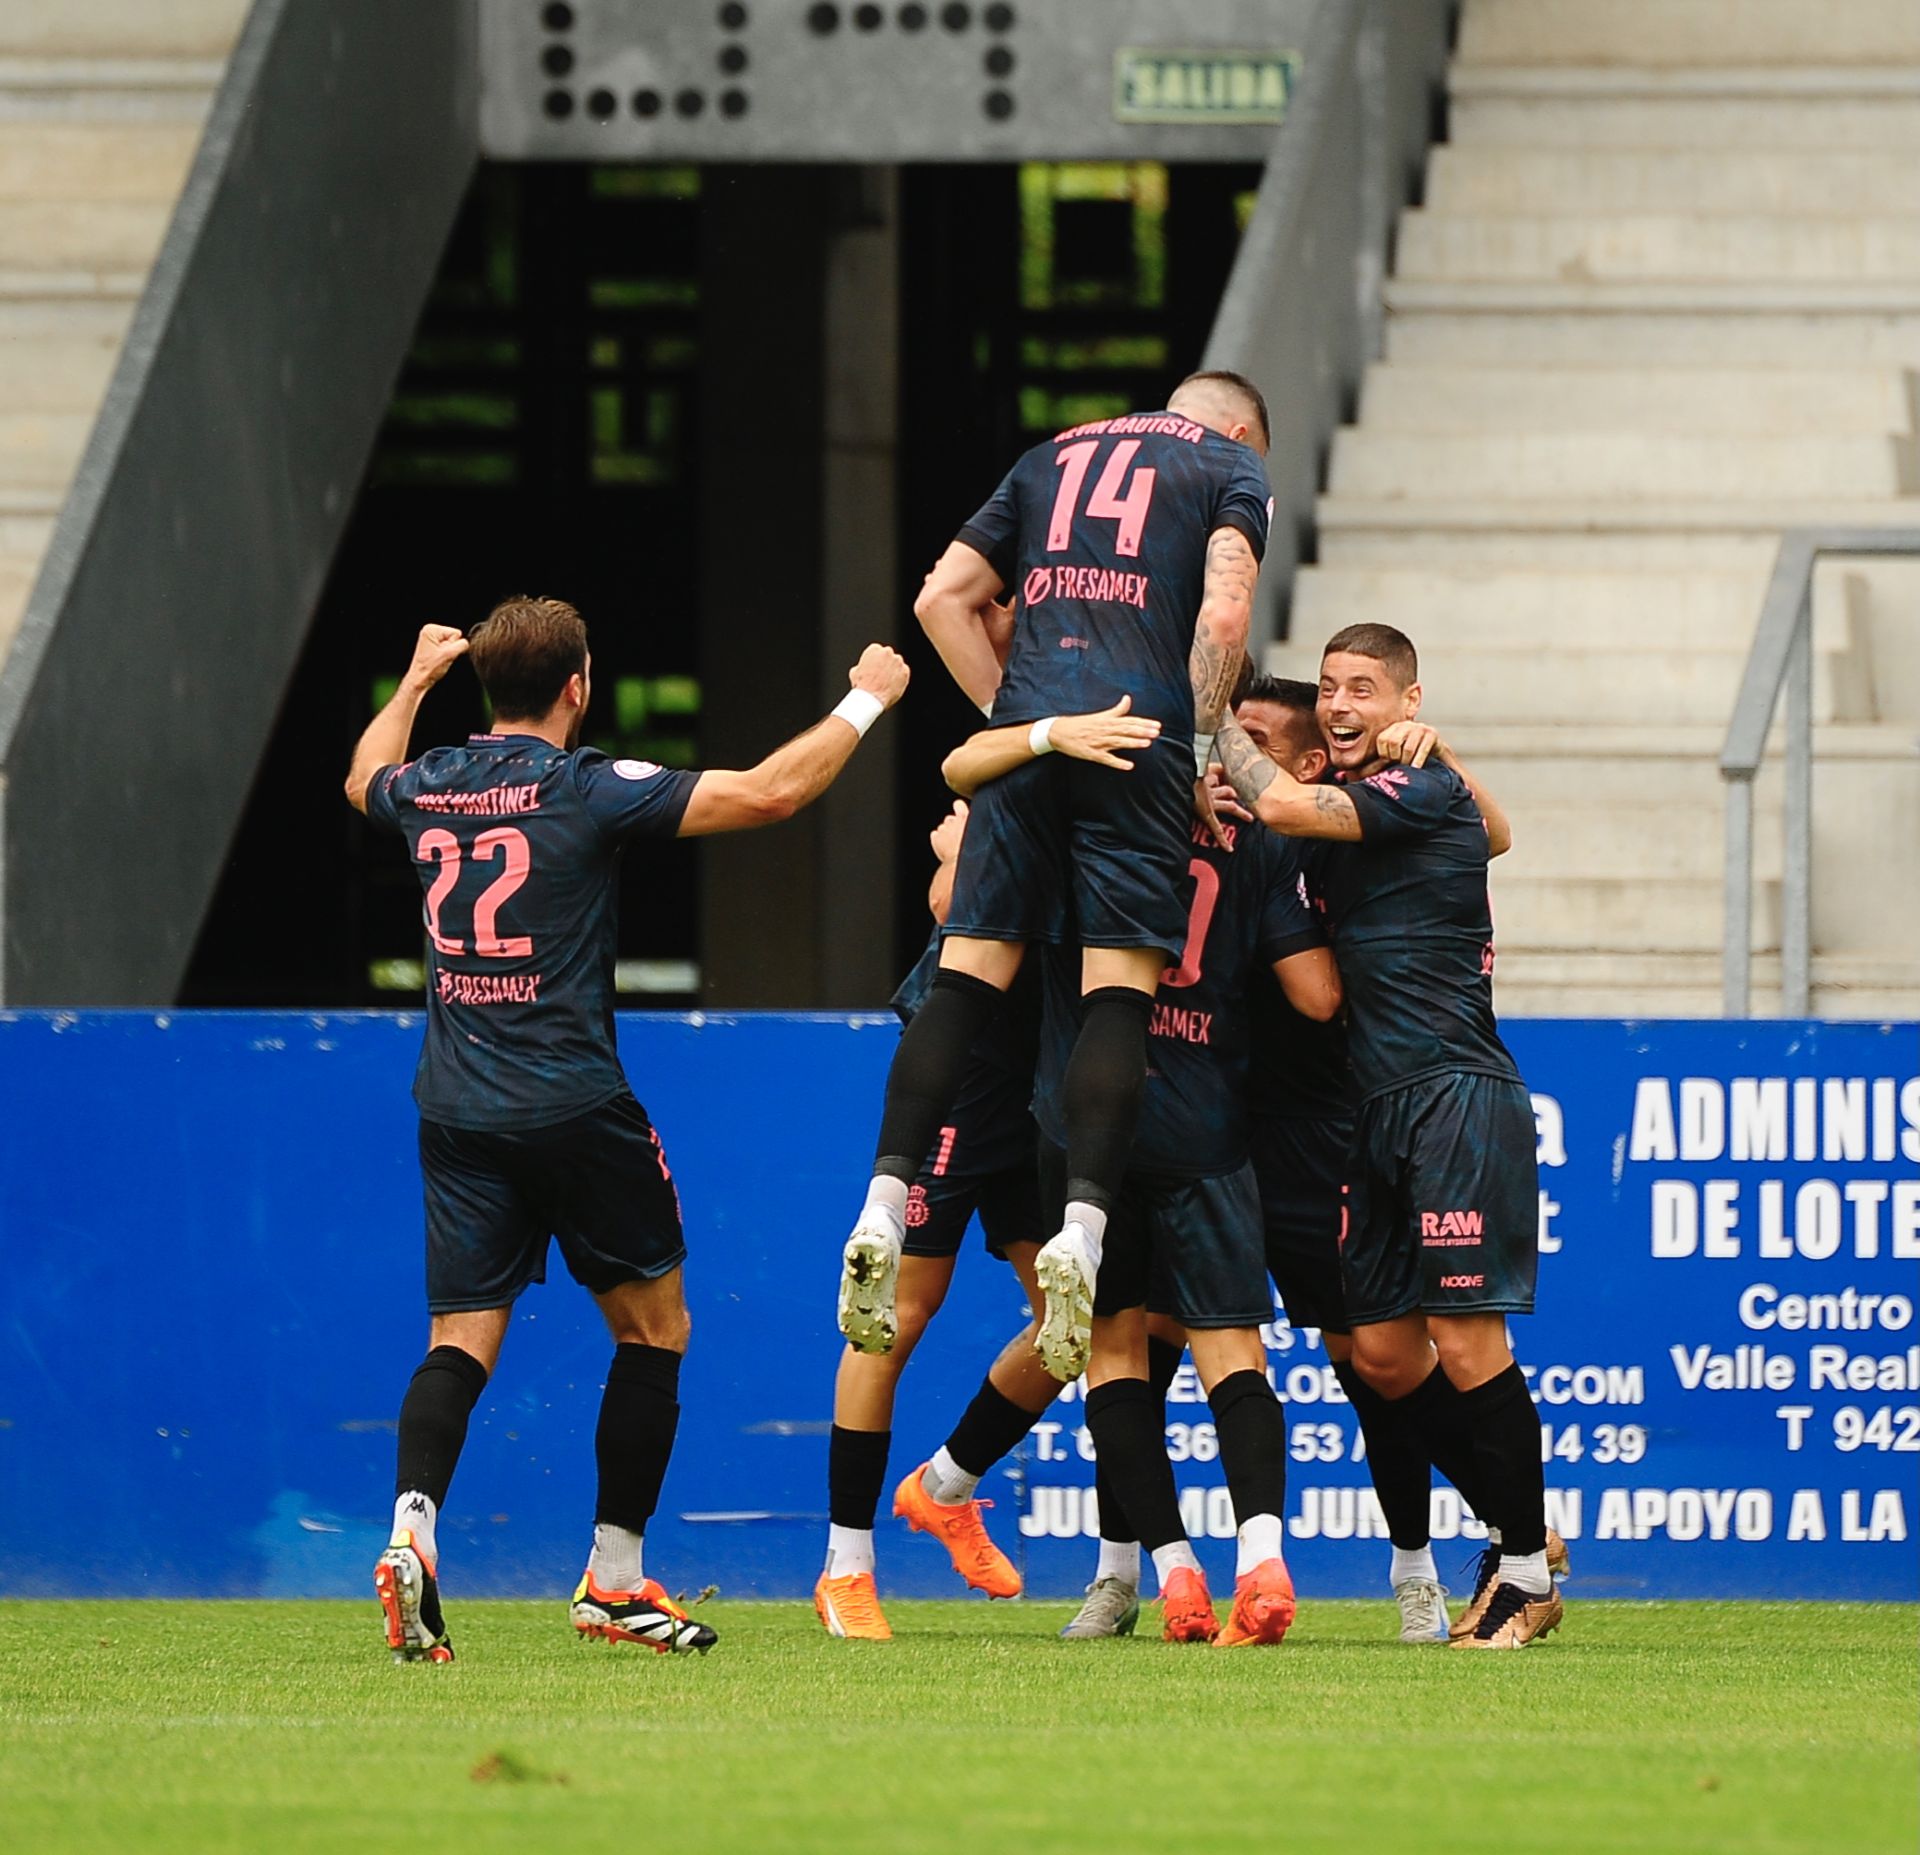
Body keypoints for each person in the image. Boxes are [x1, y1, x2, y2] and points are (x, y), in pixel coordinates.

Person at [343, 597, 908, 1661]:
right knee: (655, 1332)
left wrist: (413, 682)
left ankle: (410, 1534)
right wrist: (867, 698)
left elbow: (359, 779)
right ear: (578, 687)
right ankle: (611, 1579)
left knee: (459, 1341)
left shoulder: (431, 783)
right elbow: (771, 793)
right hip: (574, 1106)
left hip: (456, 1110)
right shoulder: (582, 787)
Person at [840, 372, 1274, 1387]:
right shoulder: (1228, 468)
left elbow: (940, 597)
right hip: (1136, 744)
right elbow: (1224, 616)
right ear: (1243, 429)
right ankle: (1081, 1226)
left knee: (965, 978)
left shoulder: (1048, 458)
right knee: (1116, 993)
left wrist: (1019, 719)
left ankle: (880, 1201)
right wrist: (1199, 748)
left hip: (1032, 739)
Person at [937, 701, 1340, 1646]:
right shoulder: (1257, 843)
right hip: (1207, 1126)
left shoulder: (1083, 826)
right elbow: (1316, 994)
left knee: (1110, 1355)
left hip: (1085, 1132)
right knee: (1231, 1355)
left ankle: (1173, 1573)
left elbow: (961, 911)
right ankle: (1264, 1560)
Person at [1210, 623, 1564, 1650]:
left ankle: (1525, 1576)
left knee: (1465, 1341)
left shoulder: (1411, 791)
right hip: (1371, 1113)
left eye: (1363, 686)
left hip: (1452, 1093)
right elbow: (1497, 838)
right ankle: (1521, 1532)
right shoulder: (1374, 812)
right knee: (1379, 1350)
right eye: (1328, 686)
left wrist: (1204, 721)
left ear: (1408, 699)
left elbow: (1281, 797)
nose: (1340, 702)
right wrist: (1441, 750)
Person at [820, 701, 1180, 1641]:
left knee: (1074, 1328)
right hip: (970, 1085)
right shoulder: (1011, 759)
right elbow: (950, 901)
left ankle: (946, 1484)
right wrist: (967, 839)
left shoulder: (1122, 788)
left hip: (1049, 1089)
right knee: (897, 1313)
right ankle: (845, 1566)